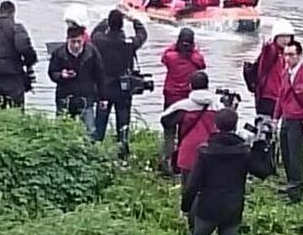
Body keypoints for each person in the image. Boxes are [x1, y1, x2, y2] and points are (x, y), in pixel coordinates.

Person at [181, 107, 270, 235]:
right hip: (233, 208)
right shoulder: (244, 152)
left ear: (215, 126)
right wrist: (262, 147)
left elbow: (193, 183)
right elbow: (263, 172)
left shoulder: (206, 151)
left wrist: (185, 206)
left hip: (208, 207)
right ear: (235, 126)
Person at [91, 9, 148, 159]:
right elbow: (142, 35)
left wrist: (106, 18)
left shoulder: (99, 40)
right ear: (122, 26)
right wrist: (134, 20)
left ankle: (95, 152)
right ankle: (123, 153)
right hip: (122, 88)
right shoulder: (128, 44)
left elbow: (95, 32)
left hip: (104, 88)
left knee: (100, 122)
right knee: (123, 122)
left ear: (108, 24)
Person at [274, 39, 303, 203]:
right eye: (285, 55)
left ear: (299, 55)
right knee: (285, 153)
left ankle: (296, 190)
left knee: (295, 156)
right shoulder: (286, 73)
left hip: (298, 120)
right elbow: (281, 96)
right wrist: (275, 117)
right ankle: (290, 183)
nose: (287, 58)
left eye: (291, 55)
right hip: (286, 118)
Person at [161, 70, 218, 190]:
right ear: (207, 85)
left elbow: (165, 120)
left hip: (188, 151)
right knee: (209, 186)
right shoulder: (217, 105)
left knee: (187, 189)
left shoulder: (183, 106)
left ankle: (167, 162)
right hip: (211, 150)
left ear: (190, 86)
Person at [48, 22, 107, 138]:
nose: (76, 45)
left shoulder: (92, 52)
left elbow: (100, 75)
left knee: (90, 131)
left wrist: (103, 97)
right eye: (73, 42)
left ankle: (89, 153)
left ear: (83, 40)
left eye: (79, 42)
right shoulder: (59, 53)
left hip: (86, 97)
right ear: (67, 40)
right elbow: (51, 73)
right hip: (65, 97)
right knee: (62, 131)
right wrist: (61, 75)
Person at [160, 27, 206, 172]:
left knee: (169, 131)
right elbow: (202, 64)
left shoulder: (171, 57)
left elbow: (164, 56)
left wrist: (176, 45)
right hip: (188, 101)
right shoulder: (196, 59)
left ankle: (165, 162)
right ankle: (180, 164)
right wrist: (192, 50)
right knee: (184, 133)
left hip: (171, 98)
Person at [0, 0, 38, 109]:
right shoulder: (17, 28)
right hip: (12, 76)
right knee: (16, 109)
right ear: (13, 13)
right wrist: (30, 61)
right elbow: (24, 48)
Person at [252, 19, 294, 117]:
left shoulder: (287, 54)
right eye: (282, 36)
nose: (285, 40)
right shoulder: (271, 51)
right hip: (268, 98)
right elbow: (267, 53)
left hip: (282, 98)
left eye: (288, 36)